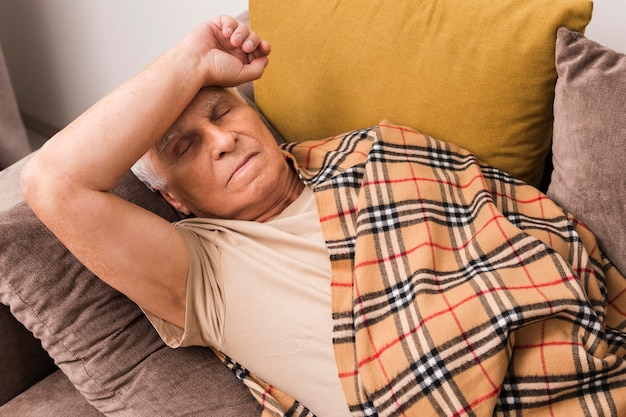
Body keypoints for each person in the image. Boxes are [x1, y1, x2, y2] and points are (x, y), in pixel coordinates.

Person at [21, 15, 626, 417]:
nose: (222, 141)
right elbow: (53, 184)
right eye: (185, 146)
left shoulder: (374, 156)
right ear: (175, 200)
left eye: (222, 114)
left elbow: (523, 243)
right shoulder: (196, 269)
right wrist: (190, 64)